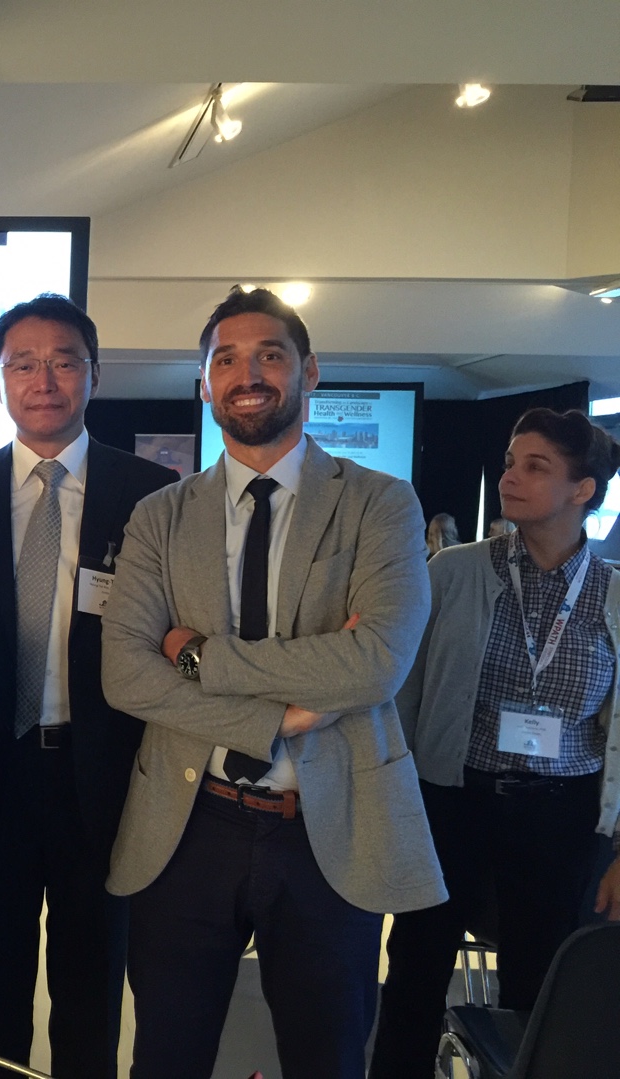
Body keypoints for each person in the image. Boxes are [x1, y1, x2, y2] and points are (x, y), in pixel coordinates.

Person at [101, 286, 445, 1079]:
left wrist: (198, 656)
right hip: (187, 824)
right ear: (205, 384)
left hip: (331, 827)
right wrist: (275, 718)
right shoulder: (160, 515)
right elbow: (125, 672)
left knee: (328, 1058)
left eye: (269, 355)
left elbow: (376, 662)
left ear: (309, 371)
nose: (247, 374)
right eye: (226, 359)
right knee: (165, 1058)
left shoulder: (379, 504)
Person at [0, 293, 177, 1078]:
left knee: (91, 986)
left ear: (94, 374)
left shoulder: (153, 494)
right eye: (23, 364)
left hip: (102, 776)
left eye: (65, 361)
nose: (44, 380)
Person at [370, 408, 620, 1078]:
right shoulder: (452, 572)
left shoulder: (614, 594)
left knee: (541, 986)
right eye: (510, 462)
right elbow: (403, 697)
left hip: (563, 815)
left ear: (582, 490)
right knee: (416, 967)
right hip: (454, 798)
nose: (511, 476)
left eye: (536, 467)